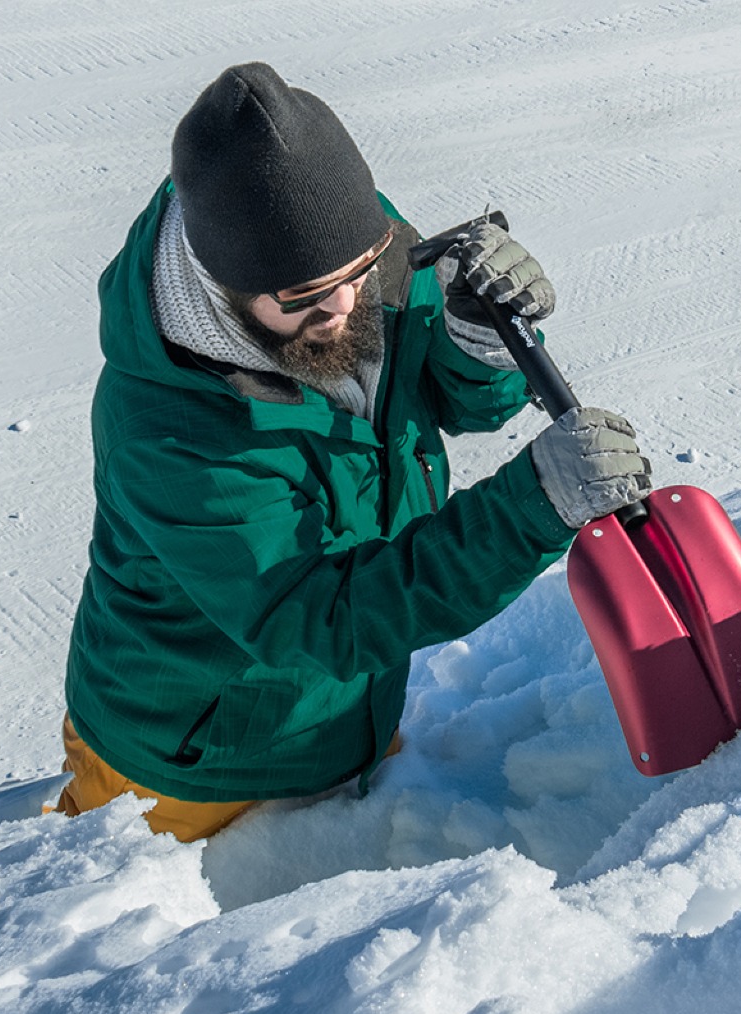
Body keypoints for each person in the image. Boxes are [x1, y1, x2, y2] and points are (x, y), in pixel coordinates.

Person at [55, 61, 652, 841]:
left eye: (361, 273)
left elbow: (433, 396)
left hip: (342, 719)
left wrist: (480, 345)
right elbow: (319, 613)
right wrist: (529, 508)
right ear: (221, 284)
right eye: (303, 298)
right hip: (185, 773)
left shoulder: (349, 247)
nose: (343, 306)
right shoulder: (171, 431)